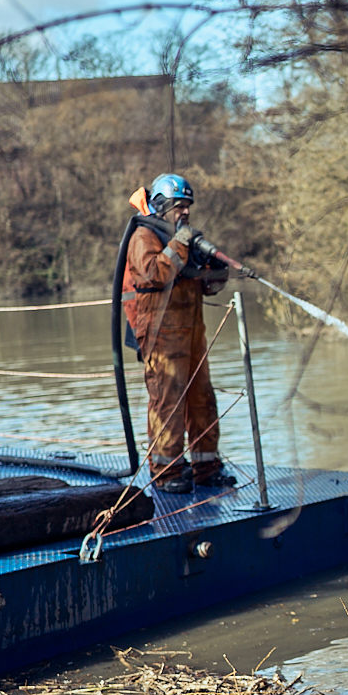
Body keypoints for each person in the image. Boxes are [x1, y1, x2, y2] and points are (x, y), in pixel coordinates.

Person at [123, 173, 238, 495]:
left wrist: (213, 265)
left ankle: (207, 467)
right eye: (178, 206)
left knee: (203, 400)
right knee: (168, 403)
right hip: (161, 336)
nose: (184, 212)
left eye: (187, 206)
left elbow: (208, 285)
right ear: (160, 205)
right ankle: (166, 471)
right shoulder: (144, 236)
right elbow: (155, 273)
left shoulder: (180, 239)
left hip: (192, 334)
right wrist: (180, 244)